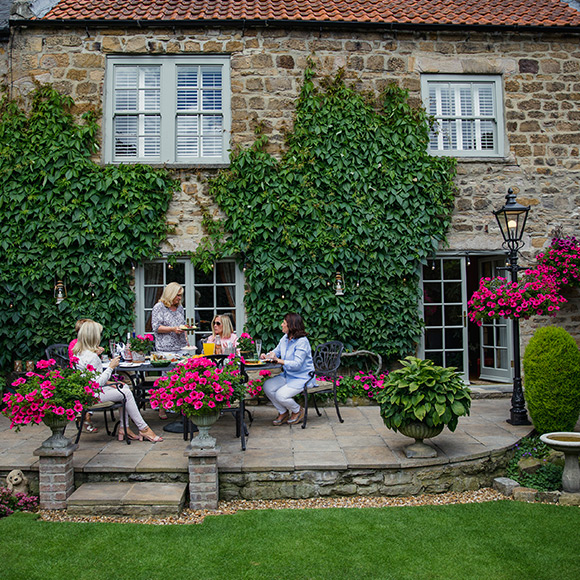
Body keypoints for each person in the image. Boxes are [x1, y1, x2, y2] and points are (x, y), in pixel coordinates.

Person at [73, 320, 163, 442]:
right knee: (126, 393)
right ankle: (144, 428)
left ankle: (124, 428)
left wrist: (112, 383)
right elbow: (96, 383)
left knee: (124, 387)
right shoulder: (92, 357)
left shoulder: (79, 353)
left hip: (85, 392)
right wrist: (111, 367)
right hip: (93, 395)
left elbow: (89, 380)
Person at [260, 312, 315, 426]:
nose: (281, 325)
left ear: (291, 326)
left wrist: (278, 360)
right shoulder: (285, 338)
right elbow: (276, 351)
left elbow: (297, 364)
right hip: (288, 375)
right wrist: (268, 355)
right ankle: (283, 412)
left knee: (281, 395)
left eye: (284, 323)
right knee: (267, 386)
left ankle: (297, 410)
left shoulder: (302, 342)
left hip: (303, 377)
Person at [69, 318, 102, 433]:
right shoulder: (77, 347)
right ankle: (85, 415)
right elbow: (95, 380)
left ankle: (83, 414)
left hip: (84, 380)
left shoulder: (79, 347)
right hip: (85, 384)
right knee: (124, 391)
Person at [151, 282, 189, 353]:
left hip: (182, 348)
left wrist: (186, 339)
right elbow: (156, 327)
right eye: (178, 295)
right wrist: (173, 329)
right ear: (171, 294)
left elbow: (182, 325)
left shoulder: (180, 308)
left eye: (180, 295)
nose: (180, 298)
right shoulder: (159, 307)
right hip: (166, 350)